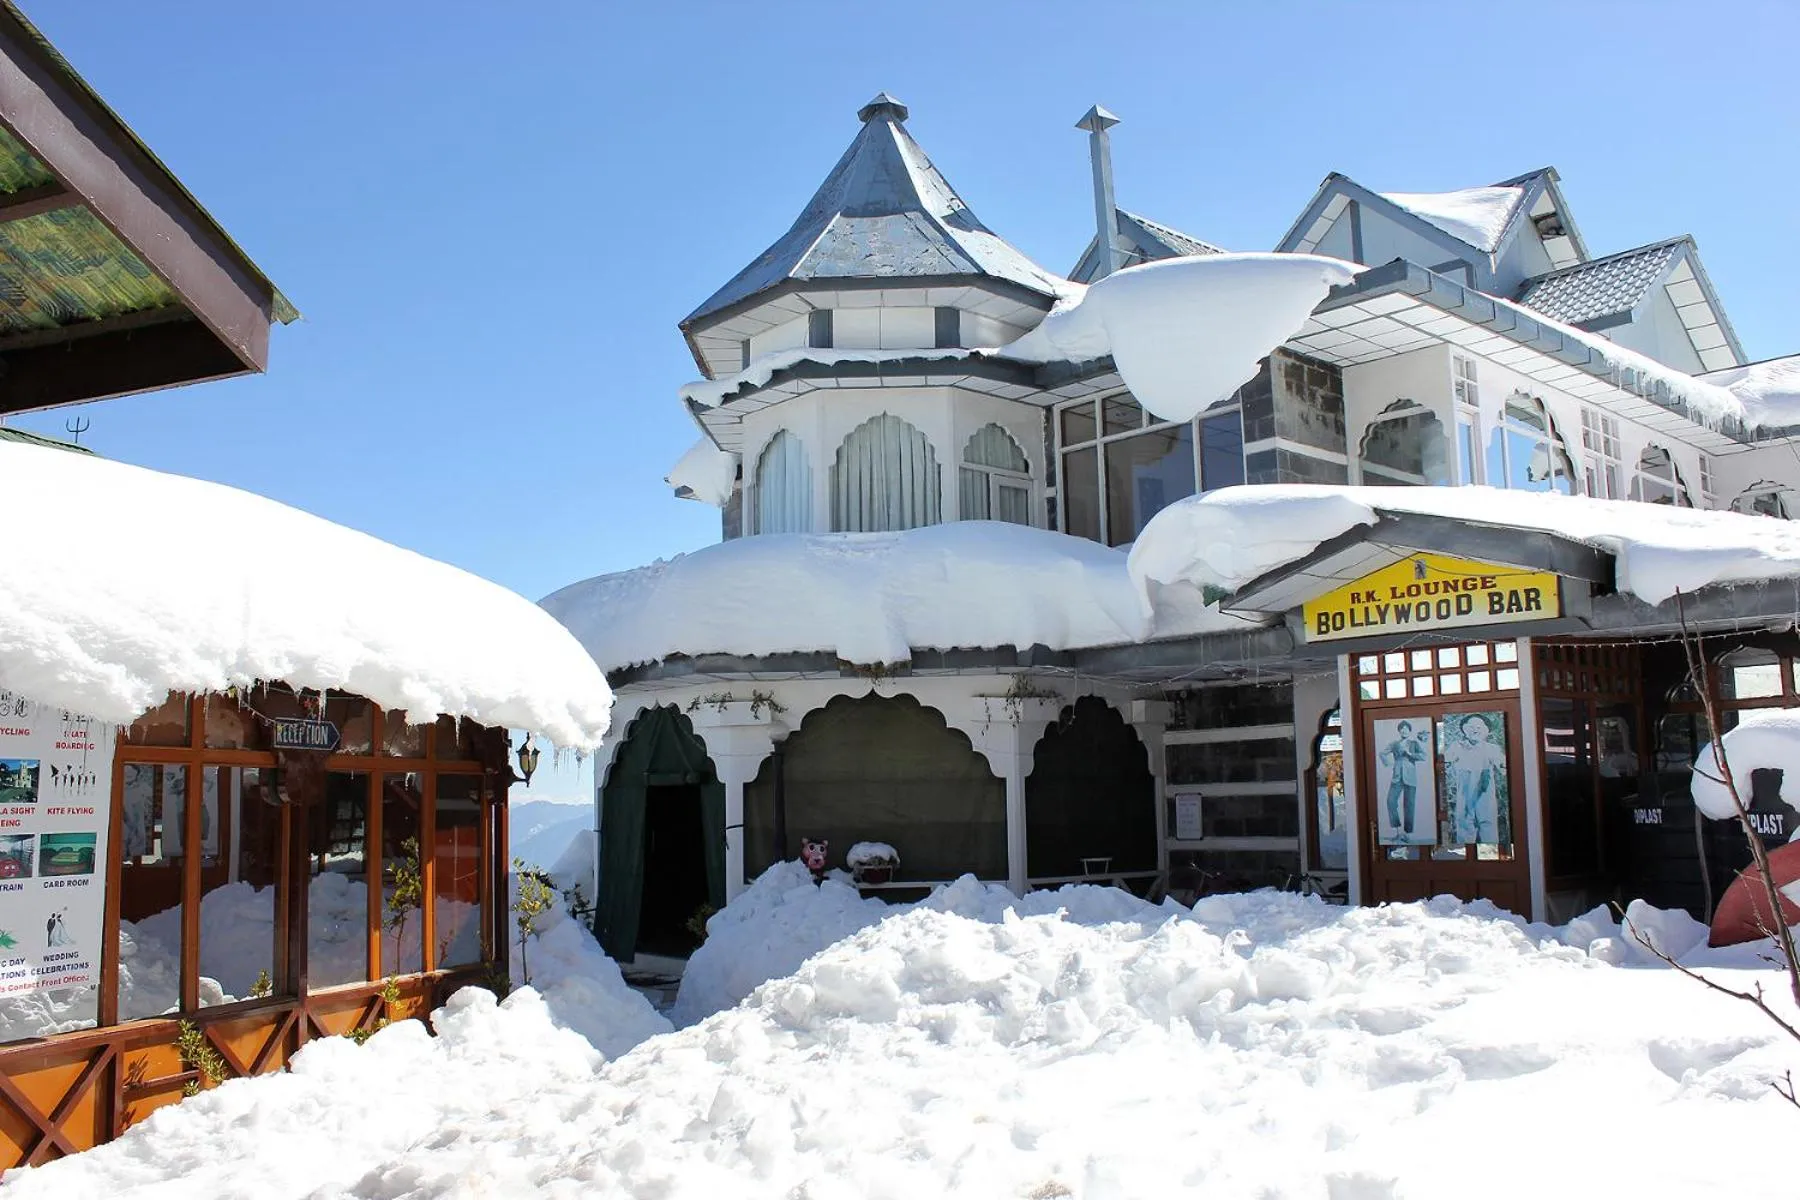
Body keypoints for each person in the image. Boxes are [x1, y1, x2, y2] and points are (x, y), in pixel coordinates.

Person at [1445, 715, 1506, 843]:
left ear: (1486, 731)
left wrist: (1502, 766)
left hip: (1485, 792)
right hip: (1465, 792)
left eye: (1479, 727)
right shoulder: (1457, 746)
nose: (1475, 730)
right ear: (1464, 730)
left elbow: (1503, 765)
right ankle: (1467, 854)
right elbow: (1445, 763)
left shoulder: (1492, 748)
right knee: (1465, 823)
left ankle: (1490, 852)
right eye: (1471, 727)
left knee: (1487, 822)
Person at [1378, 721, 1430, 841]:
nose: (1404, 731)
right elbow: (1382, 753)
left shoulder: (1414, 743)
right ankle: (1397, 831)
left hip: (1411, 777)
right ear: (1399, 731)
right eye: (1402, 729)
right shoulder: (1394, 744)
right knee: (1390, 801)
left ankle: (1408, 834)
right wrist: (1389, 763)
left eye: (1406, 729)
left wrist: (1410, 753)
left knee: (1409, 804)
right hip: (1397, 776)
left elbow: (1424, 756)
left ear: (1410, 731)